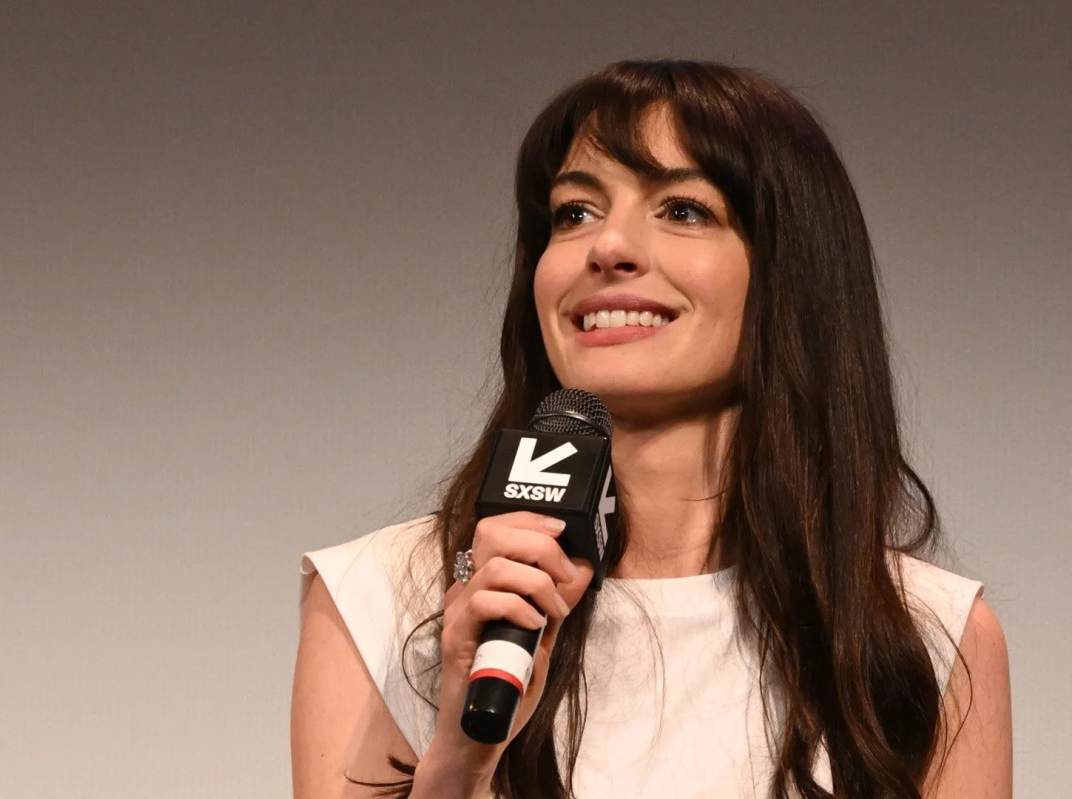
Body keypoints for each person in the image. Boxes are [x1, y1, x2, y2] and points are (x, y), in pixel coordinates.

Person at [291, 59, 1012, 799]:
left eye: (683, 210)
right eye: (575, 212)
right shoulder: (383, 597)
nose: (607, 247)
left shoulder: (926, 633)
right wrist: (460, 760)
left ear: (790, 273)